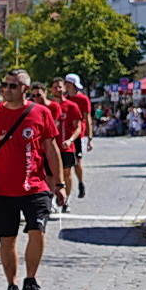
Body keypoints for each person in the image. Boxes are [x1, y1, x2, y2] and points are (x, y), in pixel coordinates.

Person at [0, 69, 64, 290]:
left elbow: (51, 149)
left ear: (24, 89)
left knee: (37, 231)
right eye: (5, 85)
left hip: (35, 185)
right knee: (7, 240)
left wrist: (59, 183)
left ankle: (31, 279)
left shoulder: (41, 113)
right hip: (1, 188)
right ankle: (11, 285)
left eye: (13, 85)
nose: (7, 89)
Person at [45, 78, 86, 211]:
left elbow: (78, 127)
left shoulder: (71, 106)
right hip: (51, 147)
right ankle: (51, 199)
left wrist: (70, 140)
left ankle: (67, 199)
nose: (58, 89)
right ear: (51, 89)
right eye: (55, 87)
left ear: (65, 88)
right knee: (50, 175)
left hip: (67, 147)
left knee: (66, 174)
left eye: (60, 87)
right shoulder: (47, 106)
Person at [62, 74, 94, 199]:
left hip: (78, 134)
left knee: (77, 161)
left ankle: (81, 182)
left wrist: (90, 139)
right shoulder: (64, 99)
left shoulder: (83, 99)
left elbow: (88, 118)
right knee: (66, 165)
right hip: (66, 135)